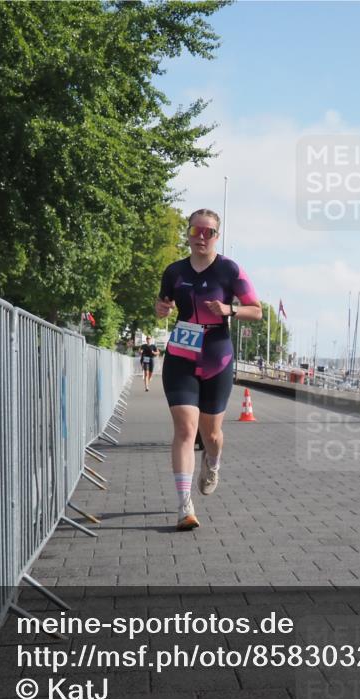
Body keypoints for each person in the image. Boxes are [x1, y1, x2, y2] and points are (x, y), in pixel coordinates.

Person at [156, 208, 261, 531]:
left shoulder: (230, 270)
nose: (201, 237)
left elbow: (256, 311)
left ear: (217, 236)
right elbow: (162, 307)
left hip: (217, 357)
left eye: (209, 232)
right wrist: (161, 309)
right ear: (187, 233)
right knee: (186, 431)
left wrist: (229, 309)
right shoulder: (174, 271)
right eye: (196, 231)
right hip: (181, 356)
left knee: (210, 435)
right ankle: (184, 505)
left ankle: (212, 463)